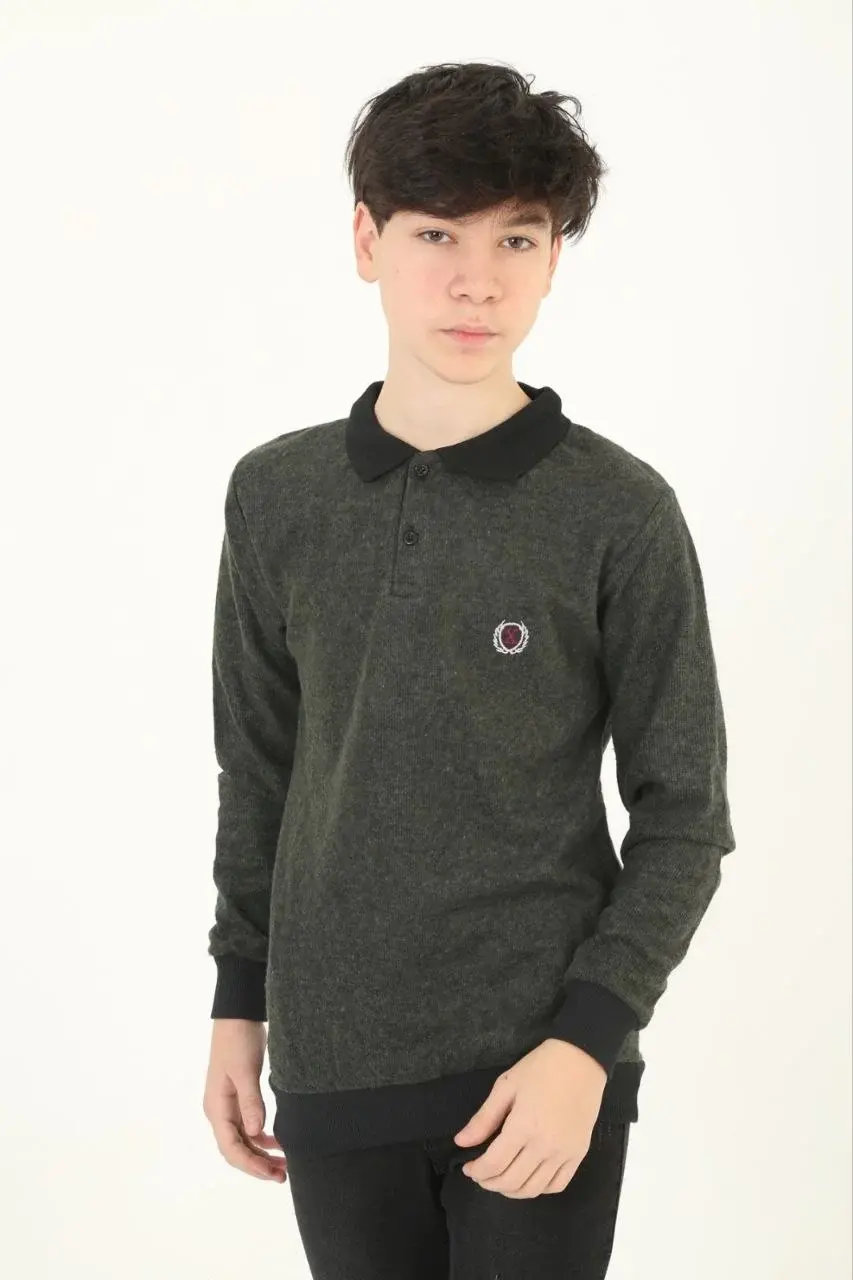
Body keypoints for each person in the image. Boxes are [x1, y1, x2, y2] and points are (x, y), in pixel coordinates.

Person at [202, 59, 736, 1279]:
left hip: (536, 1073)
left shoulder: (618, 510)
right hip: (333, 1065)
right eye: (436, 232)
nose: (475, 280)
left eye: (516, 239)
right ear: (367, 241)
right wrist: (239, 998)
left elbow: (685, 814)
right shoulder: (275, 496)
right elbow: (259, 771)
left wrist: (586, 1042)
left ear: (553, 260)